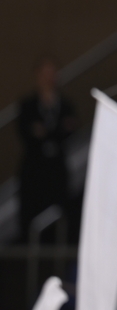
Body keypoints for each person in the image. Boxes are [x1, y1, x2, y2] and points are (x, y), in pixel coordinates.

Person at [16, 57, 77, 242]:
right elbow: (28, 134)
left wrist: (47, 132)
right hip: (34, 172)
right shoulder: (28, 105)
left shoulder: (65, 105)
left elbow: (69, 130)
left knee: (61, 216)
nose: (49, 78)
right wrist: (55, 131)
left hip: (57, 172)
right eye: (45, 73)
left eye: (53, 73)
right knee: (32, 217)